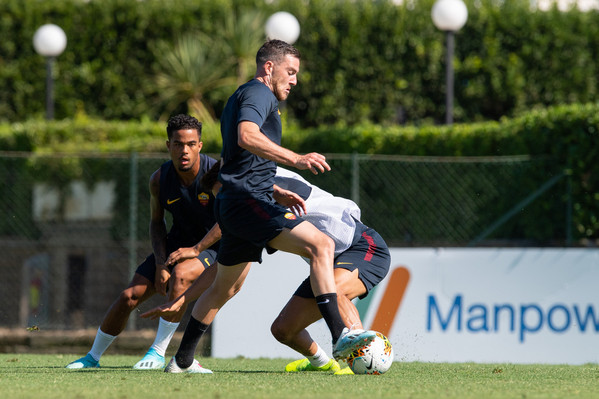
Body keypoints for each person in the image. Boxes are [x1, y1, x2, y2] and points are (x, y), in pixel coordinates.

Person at [162, 40, 375, 374]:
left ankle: (182, 360)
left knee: (225, 286)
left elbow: (238, 162)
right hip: (248, 204)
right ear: (268, 67)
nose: (293, 80)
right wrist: (296, 158)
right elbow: (247, 137)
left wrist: (275, 189)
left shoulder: (246, 96)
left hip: (237, 203)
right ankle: (341, 335)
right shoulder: (260, 94)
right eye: (290, 72)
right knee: (322, 244)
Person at [141, 166, 391, 375]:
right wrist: (183, 299)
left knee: (334, 290)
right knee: (283, 330)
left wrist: (198, 247)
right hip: (326, 264)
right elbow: (224, 273)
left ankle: (357, 352)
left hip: (363, 247)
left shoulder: (259, 190)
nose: (223, 206)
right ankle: (325, 364)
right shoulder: (252, 208)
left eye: (224, 196)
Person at [66, 114, 220, 370]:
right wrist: (160, 263)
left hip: (212, 248)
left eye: (191, 144)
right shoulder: (159, 179)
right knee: (129, 296)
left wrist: (196, 249)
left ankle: (157, 353)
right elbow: (156, 222)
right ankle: (92, 358)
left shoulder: (215, 175)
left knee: (181, 276)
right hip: (175, 246)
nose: (185, 150)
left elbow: (226, 223)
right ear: (168, 145)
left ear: (200, 146)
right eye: (179, 143)